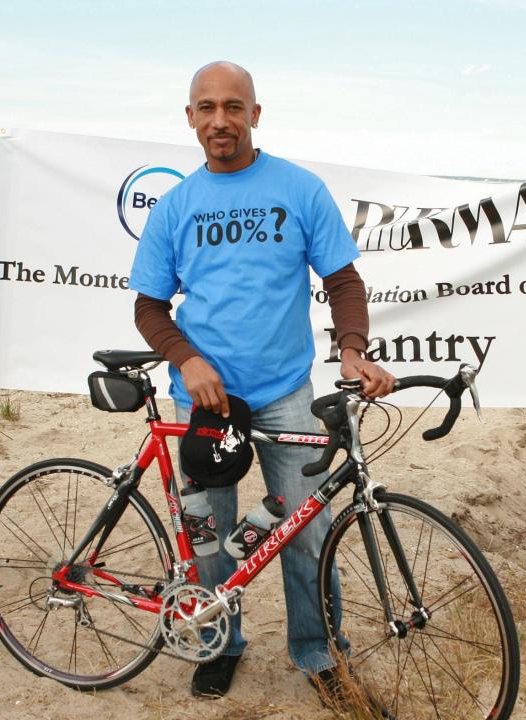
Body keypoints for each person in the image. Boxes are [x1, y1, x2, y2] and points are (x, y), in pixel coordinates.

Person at [129, 60, 395, 700]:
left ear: (255, 113)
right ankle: (221, 644)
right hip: (205, 401)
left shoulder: (299, 189)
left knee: (306, 532)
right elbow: (148, 306)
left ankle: (318, 653)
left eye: (233, 107)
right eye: (207, 108)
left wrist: (353, 349)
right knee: (210, 538)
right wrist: (187, 361)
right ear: (190, 118)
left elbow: (343, 282)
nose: (221, 120)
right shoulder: (176, 206)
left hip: (284, 393)